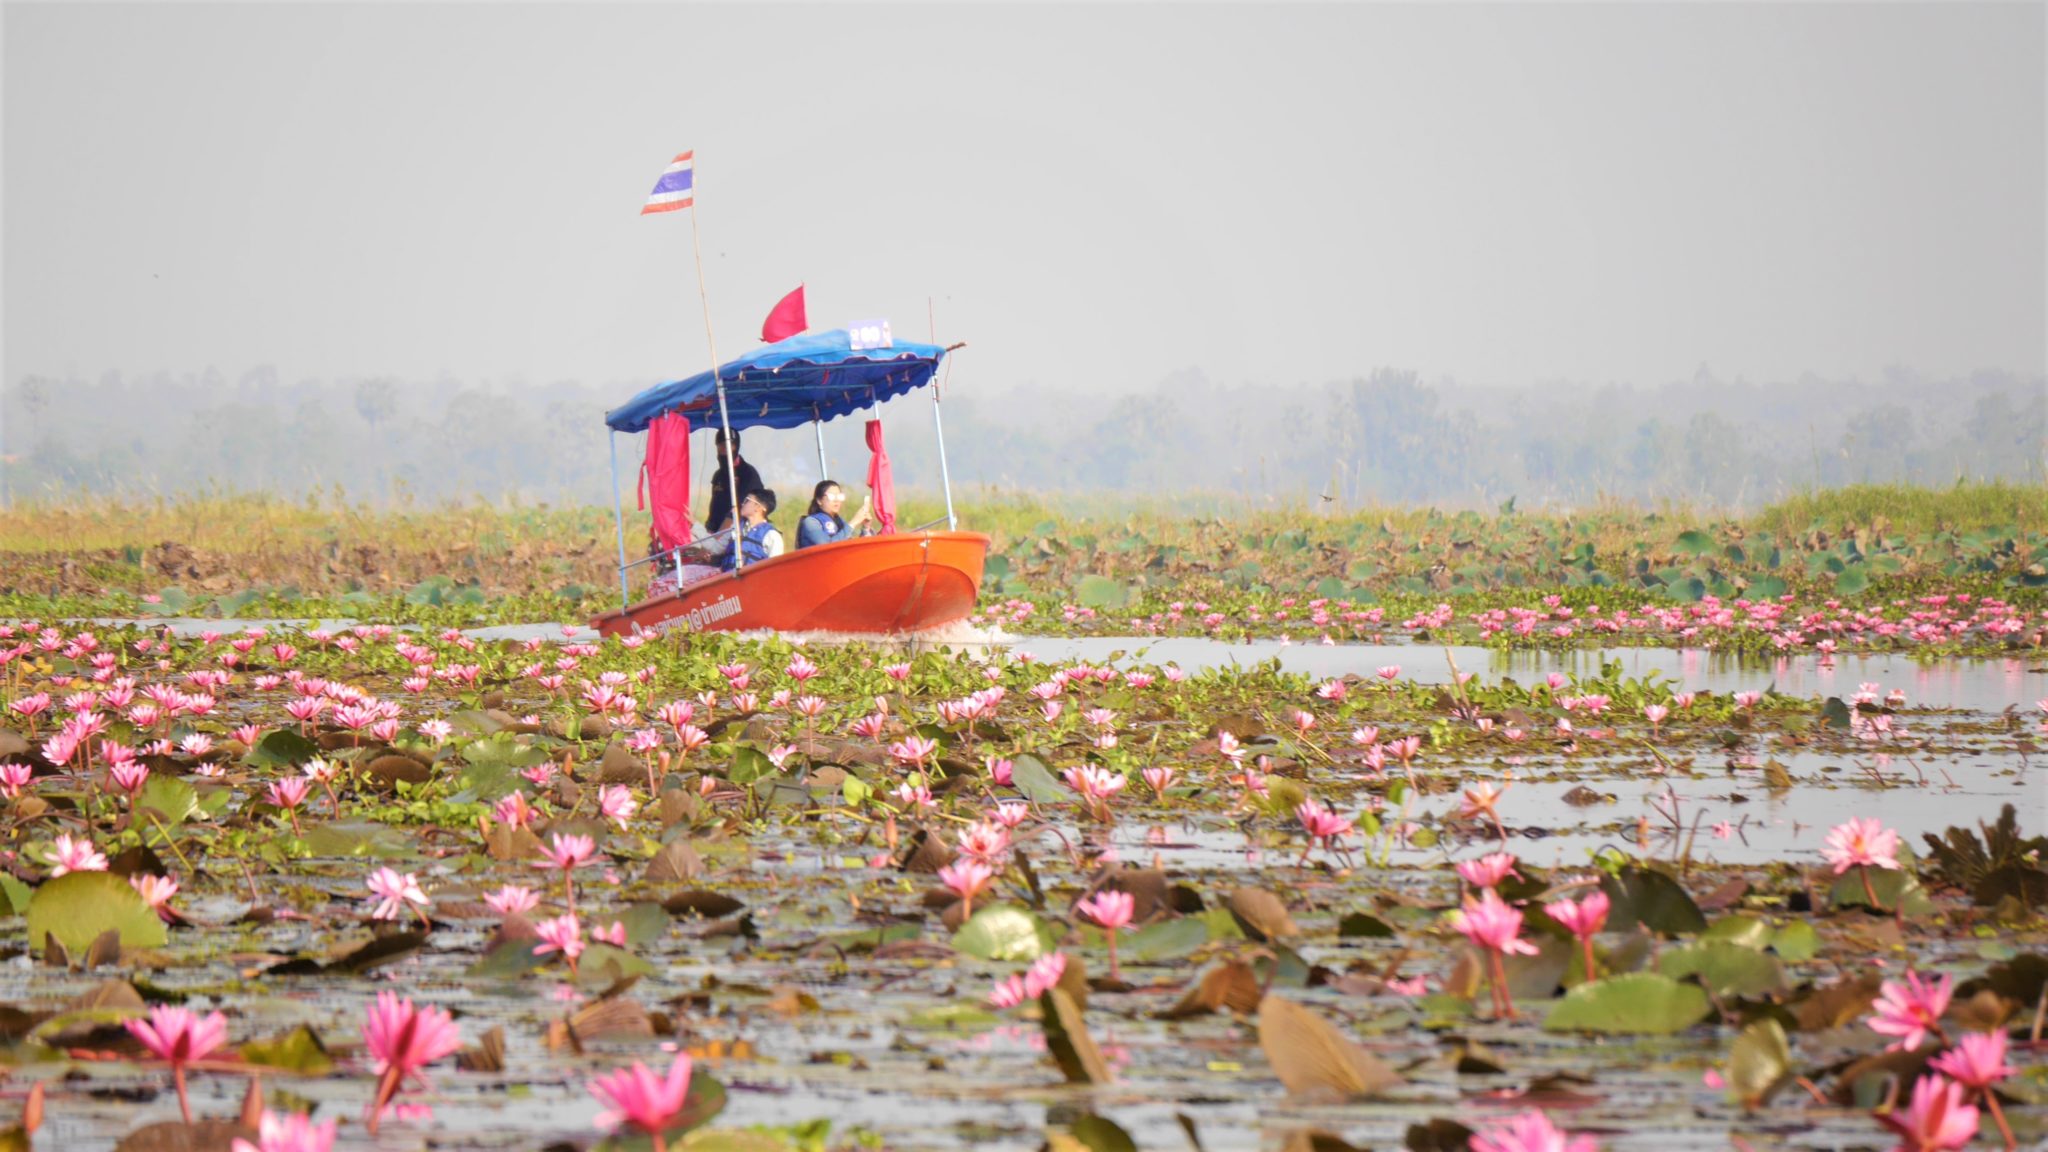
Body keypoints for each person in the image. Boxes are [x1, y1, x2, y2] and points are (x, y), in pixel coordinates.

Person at [703, 429, 763, 534]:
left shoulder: (748, 473)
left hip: (741, 532)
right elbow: (714, 507)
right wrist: (710, 530)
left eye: (729, 446)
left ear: (736, 446)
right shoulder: (718, 476)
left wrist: (719, 536)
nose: (724, 450)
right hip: (717, 533)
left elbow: (746, 506)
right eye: (720, 446)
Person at [795, 480, 874, 549]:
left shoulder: (840, 522)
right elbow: (827, 546)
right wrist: (853, 522)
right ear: (819, 500)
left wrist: (866, 528)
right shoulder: (810, 522)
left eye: (839, 496)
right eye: (832, 496)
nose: (837, 500)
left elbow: (855, 547)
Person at [718, 488, 783, 572]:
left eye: (747, 500)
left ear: (758, 507)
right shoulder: (736, 528)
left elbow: (776, 568)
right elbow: (716, 547)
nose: (742, 504)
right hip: (729, 580)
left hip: (754, 582)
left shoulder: (772, 536)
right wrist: (696, 527)